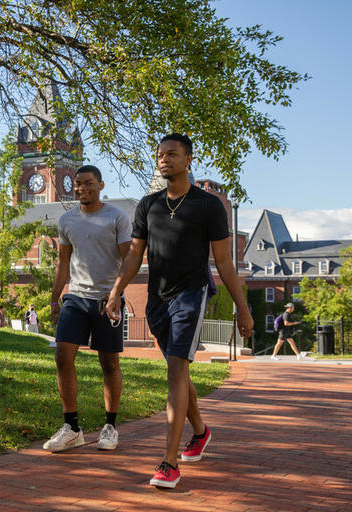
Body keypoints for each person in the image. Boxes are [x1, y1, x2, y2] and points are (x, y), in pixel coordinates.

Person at [105, 133, 253, 489]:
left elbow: (224, 262)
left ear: (189, 159)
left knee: (175, 369)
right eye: (160, 155)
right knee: (178, 367)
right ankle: (200, 432)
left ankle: (169, 463)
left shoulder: (207, 206)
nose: (164, 159)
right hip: (157, 297)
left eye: (172, 154)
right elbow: (134, 255)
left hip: (192, 293)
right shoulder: (148, 205)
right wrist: (115, 292)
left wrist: (243, 310)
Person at [44, 165, 132, 453]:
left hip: (107, 300)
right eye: (78, 184)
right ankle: (72, 428)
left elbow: (128, 261)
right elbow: (62, 263)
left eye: (88, 184)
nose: (82, 188)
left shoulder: (117, 217)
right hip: (76, 298)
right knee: (62, 355)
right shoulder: (67, 220)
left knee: (109, 364)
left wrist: (117, 294)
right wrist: (56, 298)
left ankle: (110, 427)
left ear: (101, 185)